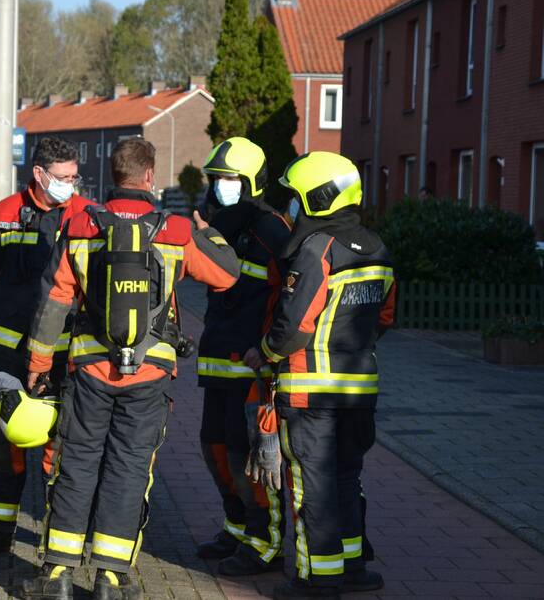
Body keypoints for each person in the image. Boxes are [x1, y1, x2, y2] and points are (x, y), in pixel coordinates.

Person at [22, 137, 241, 600]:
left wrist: (40, 365)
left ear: (112, 177)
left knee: (75, 463)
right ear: (149, 177)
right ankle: (111, 578)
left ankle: (57, 575)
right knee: (129, 468)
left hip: (88, 368)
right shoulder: (176, 229)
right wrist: (211, 230)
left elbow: (54, 301)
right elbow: (227, 274)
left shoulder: (82, 223)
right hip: (151, 373)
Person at [243, 151, 395, 600]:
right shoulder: (377, 247)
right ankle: (351, 568)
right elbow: (385, 317)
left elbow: (295, 326)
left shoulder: (316, 250)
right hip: (360, 391)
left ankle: (318, 581)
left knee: (312, 490)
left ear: (317, 197)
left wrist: (266, 352)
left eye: (295, 198)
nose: (291, 207)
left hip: (310, 395)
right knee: (348, 479)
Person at [0, 136, 91, 558]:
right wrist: (14, 308)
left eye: (75, 177)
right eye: (62, 178)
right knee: (2, 445)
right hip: (8, 352)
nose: (70, 186)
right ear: (39, 175)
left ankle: (58, 544)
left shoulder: (84, 216)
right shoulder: (5, 212)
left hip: (63, 356)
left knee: (61, 447)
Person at [194, 138, 290, 575]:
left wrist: (270, 349)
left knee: (249, 456)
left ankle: (264, 543)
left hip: (253, 367)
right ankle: (235, 527)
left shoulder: (273, 230)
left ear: (251, 183)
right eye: (216, 180)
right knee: (214, 447)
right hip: (217, 359)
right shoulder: (214, 223)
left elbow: (294, 296)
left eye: (229, 179)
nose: (220, 187)